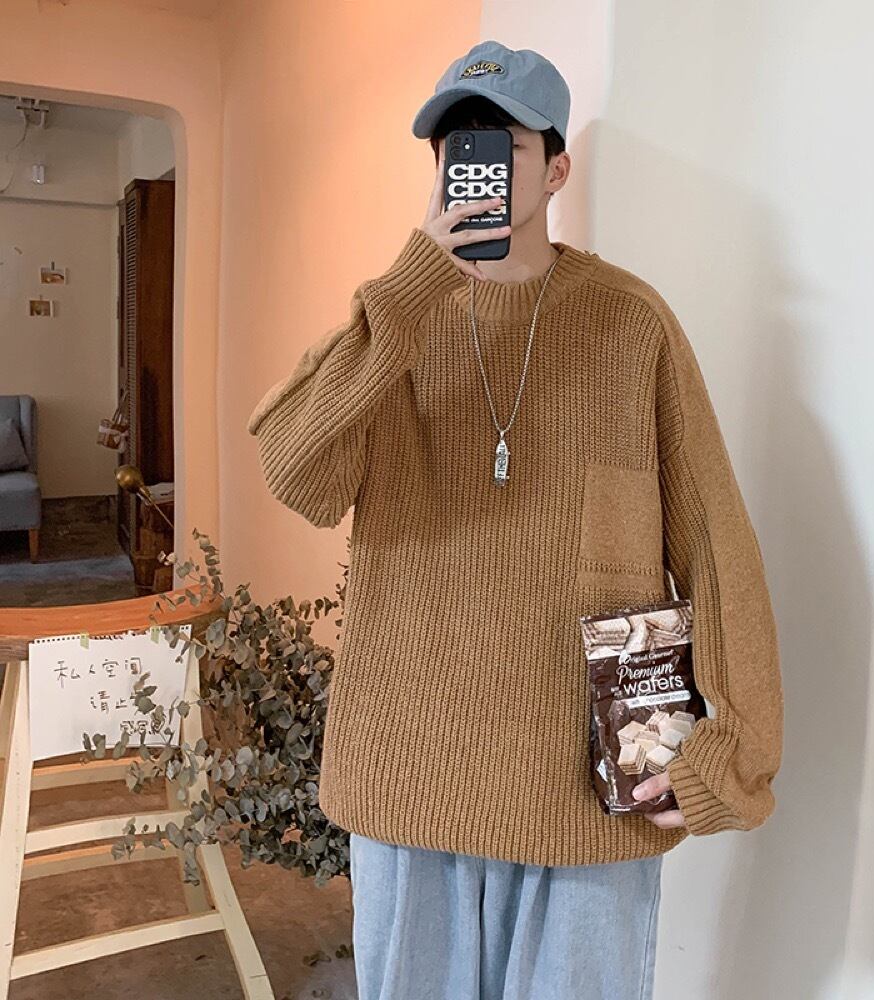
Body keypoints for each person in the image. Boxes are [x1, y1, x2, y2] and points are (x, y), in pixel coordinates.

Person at [247, 39, 783, 1000]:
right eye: (453, 145)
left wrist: (728, 750)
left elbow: (715, 546)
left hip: (582, 796)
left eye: (499, 143)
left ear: (556, 169)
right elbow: (296, 473)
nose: (473, 165)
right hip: (411, 771)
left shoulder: (631, 323)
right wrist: (410, 289)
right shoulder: (396, 326)